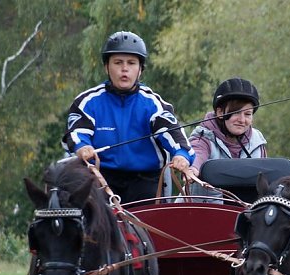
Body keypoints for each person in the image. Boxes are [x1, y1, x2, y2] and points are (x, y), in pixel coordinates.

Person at [62, 31, 194, 203]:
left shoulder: (154, 104)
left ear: (140, 70)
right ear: (106, 67)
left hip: (145, 181)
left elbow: (176, 137)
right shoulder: (87, 102)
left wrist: (181, 155)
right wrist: (83, 146)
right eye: (118, 62)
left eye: (131, 63)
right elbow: (75, 133)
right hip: (100, 178)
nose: (124, 69)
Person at [187, 77, 267, 200]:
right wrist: (192, 168)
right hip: (202, 209)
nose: (242, 120)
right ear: (220, 112)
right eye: (236, 112)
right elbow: (197, 153)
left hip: (245, 209)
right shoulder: (203, 137)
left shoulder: (257, 141)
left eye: (247, 114)